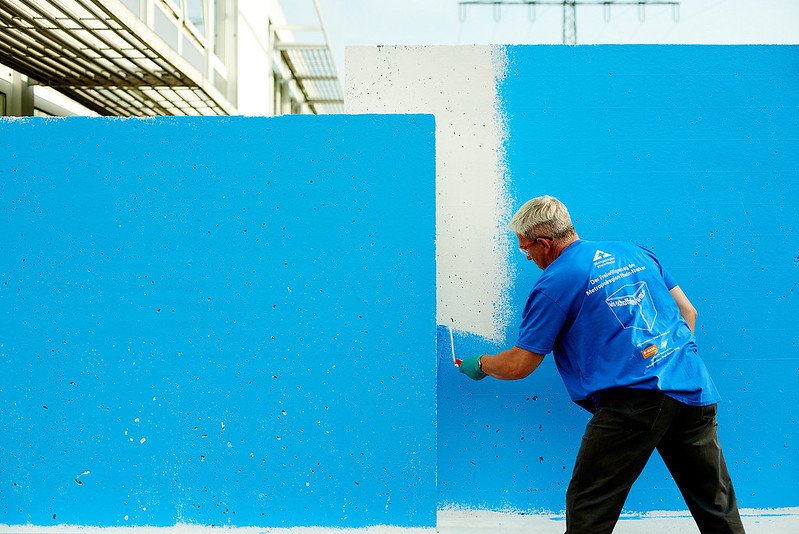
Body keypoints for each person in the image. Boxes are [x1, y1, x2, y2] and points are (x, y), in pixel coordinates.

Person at [458, 195, 745, 534]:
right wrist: (677, 360)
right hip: (692, 387)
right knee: (716, 507)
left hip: (634, 404)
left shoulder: (555, 282)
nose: (529, 257)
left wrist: (480, 364)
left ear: (544, 244)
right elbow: (688, 311)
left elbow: (520, 364)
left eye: (526, 250)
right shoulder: (636, 252)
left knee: (588, 511)